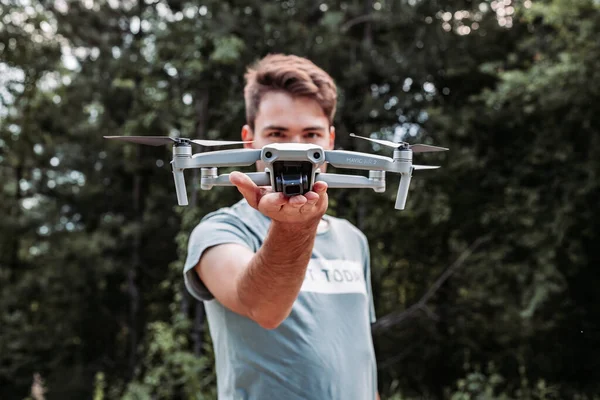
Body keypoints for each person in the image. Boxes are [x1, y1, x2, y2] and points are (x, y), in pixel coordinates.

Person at [183, 54, 379, 400]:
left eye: (311, 134)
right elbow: (264, 308)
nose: (296, 149)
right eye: (277, 134)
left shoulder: (353, 239)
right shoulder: (219, 233)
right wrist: (293, 228)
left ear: (330, 141)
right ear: (249, 139)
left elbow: (357, 356)